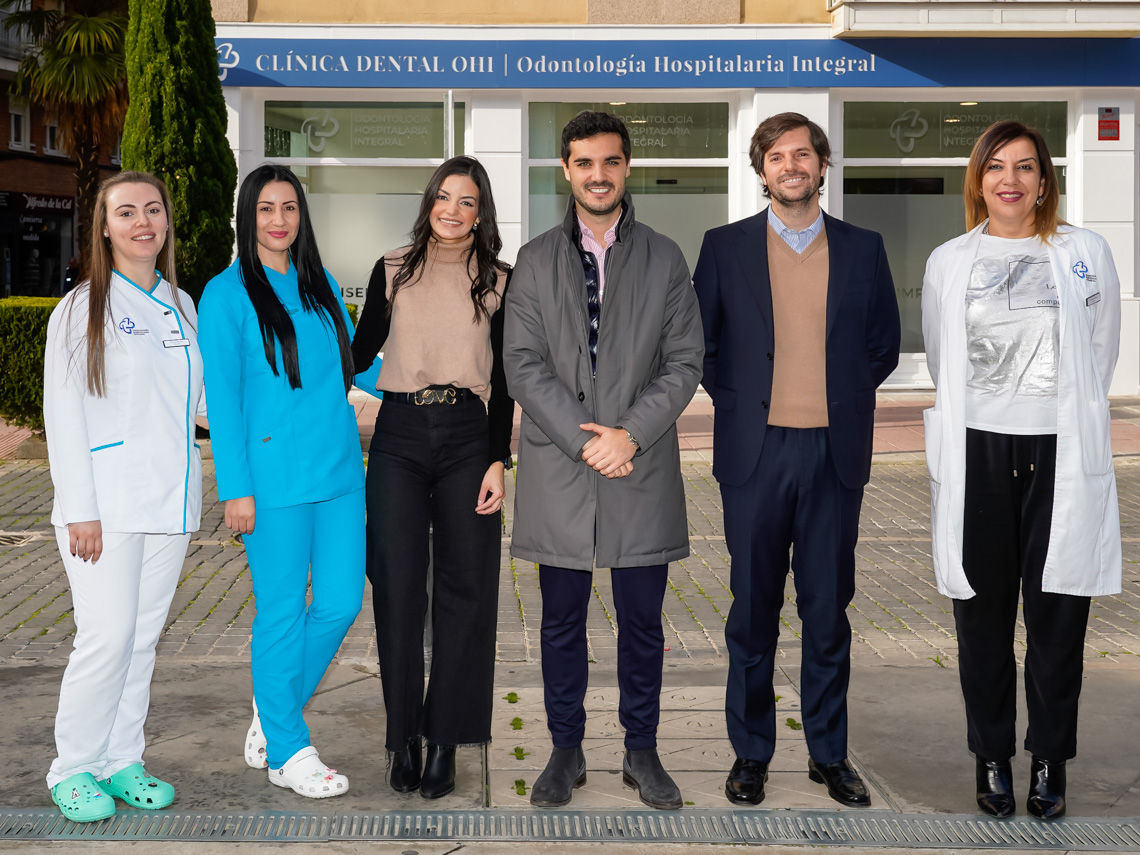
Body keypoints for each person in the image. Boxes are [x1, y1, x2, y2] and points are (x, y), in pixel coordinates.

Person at [692, 112, 900, 809]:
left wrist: (836, 398)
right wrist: (745, 401)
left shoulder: (864, 248)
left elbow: (882, 345)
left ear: (822, 164)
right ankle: (751, 753)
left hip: (833, 453)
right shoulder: (724, 248)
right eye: (777, 156)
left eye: (802, 154)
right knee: (752, 611)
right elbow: (705, 345)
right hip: (755, 453)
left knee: (827, 609)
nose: (791, 166)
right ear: (762, 171)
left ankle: (829, 753)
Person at [504, 111, 704, 811]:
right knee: (559, 620)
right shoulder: (532, 260)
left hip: (638, 467)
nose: (598, 174)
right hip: (561, 470)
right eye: (584, 162)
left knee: (644, 621)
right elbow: (523, 367)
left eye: (610, 161)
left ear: (627, 167)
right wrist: (587, 439)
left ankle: (641, 749)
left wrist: (631, 435)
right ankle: (565, 747)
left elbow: (684, 362)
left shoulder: (665, 258)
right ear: (566, 169)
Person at [921, 121, 1121, 821]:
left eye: (1026, 167)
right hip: (978, 449)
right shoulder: (950, 260)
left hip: (1060, 450)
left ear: (1044, 180)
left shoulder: (1085, 252)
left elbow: (1100, 353)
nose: (1011, 179)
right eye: (997, 167)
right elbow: (944, 359)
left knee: (1058, 614)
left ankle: (1049, 762)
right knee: (981, 614)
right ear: (978, 179)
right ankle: (992, 757)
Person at [198, 164, 364, 799]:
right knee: (281, 613)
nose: (278, 220)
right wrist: (234, 487)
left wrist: (439, 379)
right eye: (266, 208)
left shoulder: (317, 283)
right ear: (247, 216)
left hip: (341, 473)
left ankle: (273, 714)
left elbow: (361, 364)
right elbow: (225, 398)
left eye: (289, 207)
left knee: (343, 602)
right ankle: (289, 749)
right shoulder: (226, 293)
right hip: (270, 485)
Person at [42, 171, 204, 822]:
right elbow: (63, 411)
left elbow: (199, 405)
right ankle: (72, 766)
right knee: (105, 637)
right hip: (103, 507)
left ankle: (119, 759)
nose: (144, 222)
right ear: (104, 227)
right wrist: (79, 505)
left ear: (166, 223)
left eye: (154, 210)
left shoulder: (182, 304)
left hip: (169, 503)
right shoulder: (82, 308)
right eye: (127, 212)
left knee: (140, 639)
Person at [351, 155, 513, 799]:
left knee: (466, 592)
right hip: (398, 437)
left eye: (466, 201)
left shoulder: (501, 279)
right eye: (443, 197)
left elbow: (502, 383)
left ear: (481, 211)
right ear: (429, 202)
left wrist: (500, 458)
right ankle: (402, 739)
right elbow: (358, 351)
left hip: (470, 439)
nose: (452, 210)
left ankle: (446, 739)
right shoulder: (393, 268)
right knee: (396, 588)